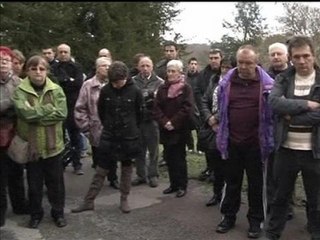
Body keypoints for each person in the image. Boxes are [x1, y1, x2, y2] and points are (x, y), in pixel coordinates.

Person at [215, 45, 274, 238]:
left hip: (256, 143)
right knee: (231, 182)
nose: (243, 66)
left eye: (248, 63)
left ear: (256, 63)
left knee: (256, 184)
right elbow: (221, 108)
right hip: (232, 141)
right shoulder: (226, 83)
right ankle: (228, 217)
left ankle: (255, 221)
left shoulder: (268, 85)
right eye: (240, 62)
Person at [265, 35, 320, 240]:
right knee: (280, 196)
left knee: (315, 198)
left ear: (313, 55)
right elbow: (274, 103)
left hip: (314, 151)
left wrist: (291, 114)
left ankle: (315, 232)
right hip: (286, 148)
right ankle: (272, 232)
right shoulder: (283, 78)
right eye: (297, 57)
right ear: (291, 58)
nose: (302, 61)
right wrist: (306, 105)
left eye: (306, 56)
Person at [71, 61, 143, 214]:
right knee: (101, 169)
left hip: (128, 137)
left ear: (126, 77)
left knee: (126, 168)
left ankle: (124, 199)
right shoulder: (106, 91)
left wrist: (131, 129)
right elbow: (101, 112)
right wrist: (109, 127)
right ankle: (89, 201)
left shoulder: (135, 91)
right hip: (109, 135)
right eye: (114, 82)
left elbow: (140, 114)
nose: (117, 85)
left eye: (120, 82)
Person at [11, 55, 68, 229]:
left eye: (42, 69)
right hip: (32, 147)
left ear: (47, 71)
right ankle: (36, 214)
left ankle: (58, 213)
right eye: (34, 68)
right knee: (34, 186)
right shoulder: (20, 91)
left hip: (53, 147)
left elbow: (61, 113)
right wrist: (47, 110)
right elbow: (24, 114)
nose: (38, 72)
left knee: (56, 184)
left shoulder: (56, 89)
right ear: (27, 71)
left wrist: (35, 114)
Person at [74, 56, 119, 190]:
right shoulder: (88, 85)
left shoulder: (115, 84)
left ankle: (113, 178)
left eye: (108, 66)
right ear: (97, 68)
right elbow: (80, 108)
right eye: (103, 66)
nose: (106, 69)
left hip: (113, 128)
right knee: (99, 157)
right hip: (95, 128)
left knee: (113, 156)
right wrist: (86, 127)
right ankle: (98, 181)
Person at [153, 59, 195, 198]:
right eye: (169, 71)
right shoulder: (162, 88)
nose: (170, 74)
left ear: (180, 72)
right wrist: (165, 122)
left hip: (180, 129)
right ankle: (173, 184)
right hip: (165, 129)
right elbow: (156, 107)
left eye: (173, 71)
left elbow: (187, 108)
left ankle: (182, 185)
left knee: (179, 158)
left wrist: (173, 122)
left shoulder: (186, 88)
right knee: (169, 157)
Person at [201, 55, 236, 207]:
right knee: (216, 165)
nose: (225, 70)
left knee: (229, 166)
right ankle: (216, 194)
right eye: (223, 67)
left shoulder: (236, 83)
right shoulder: (214, 81)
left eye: (229, 67)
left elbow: (232, 105)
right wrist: (209, 118)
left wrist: (217, 118)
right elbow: (204, 101)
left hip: (229, 129)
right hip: (212, 129)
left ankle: (229, 197)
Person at [266, 42, 295, 220]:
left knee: (287, 171)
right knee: (271, 170)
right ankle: (272, 203)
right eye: (273, 54)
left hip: (290, 129)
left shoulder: (294, 75)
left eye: (279, 54)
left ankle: (288, 205)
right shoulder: (264, 76)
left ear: (287, 56)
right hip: (269, 129)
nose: (276, 57)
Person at [0, 46, 29, 227]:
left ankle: (19, 205)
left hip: (15, 134)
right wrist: (12, 102)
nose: (3, 63)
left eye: (6, 60)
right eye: (0, 60)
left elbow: (26, 107)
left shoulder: (19, 82)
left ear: (12, 64)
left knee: (17, 171)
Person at [51, 43, 84, 175]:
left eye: (66, 52)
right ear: (57, 53)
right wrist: (67, 80)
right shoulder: (53, 67)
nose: (63, 54)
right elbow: (54, 84)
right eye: (61, 52)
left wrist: (65, 81)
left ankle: (77, 164)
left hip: (72, 106)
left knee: (75, 136)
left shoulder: (76, 67)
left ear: (70, 53)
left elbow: (78, 83)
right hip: (58, 106)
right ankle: (61, 164)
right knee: (59, 137)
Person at [131, 56, 164, 188]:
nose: (145, 68)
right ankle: (141, 175)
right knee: (139, 149)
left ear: (152, 67)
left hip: (153, 120)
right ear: (138, 67)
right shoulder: (132, 81)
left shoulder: (160, 82)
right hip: (138, 119)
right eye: (142, 65)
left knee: (153, 149)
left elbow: (162, 101)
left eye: (147, 66)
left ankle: (153, 174)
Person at [195, 49, 222, 182]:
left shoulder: (223, 74)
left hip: (220, 115)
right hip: (206, 114)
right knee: (207, 144)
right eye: (211, 58)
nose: (213, 60)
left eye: (216, 58)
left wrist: (216, 116)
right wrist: (207, 114)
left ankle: (217, 172)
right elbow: (199, 93)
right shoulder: (203, 74)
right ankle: (209, 168)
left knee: (218, 146)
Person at [185, 57, 200, 154]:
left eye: (195, 64)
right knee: (187, 128)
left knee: (199, 128)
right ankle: (190, 147)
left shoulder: (201, 77)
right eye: (191, 63)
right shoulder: (184, 78)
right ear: (188, 65)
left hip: (198, 106)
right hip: (187, 106)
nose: (193, 65)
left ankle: (200, 148)